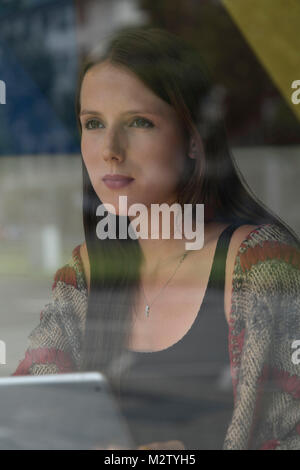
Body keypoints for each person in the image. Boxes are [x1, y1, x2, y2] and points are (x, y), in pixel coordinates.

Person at [12, 26, 300, 450]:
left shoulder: (263, 265)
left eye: (139, 122)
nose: (110, 148)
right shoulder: (84, 273)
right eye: (93, 123)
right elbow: (28, 418)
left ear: (194, 140)